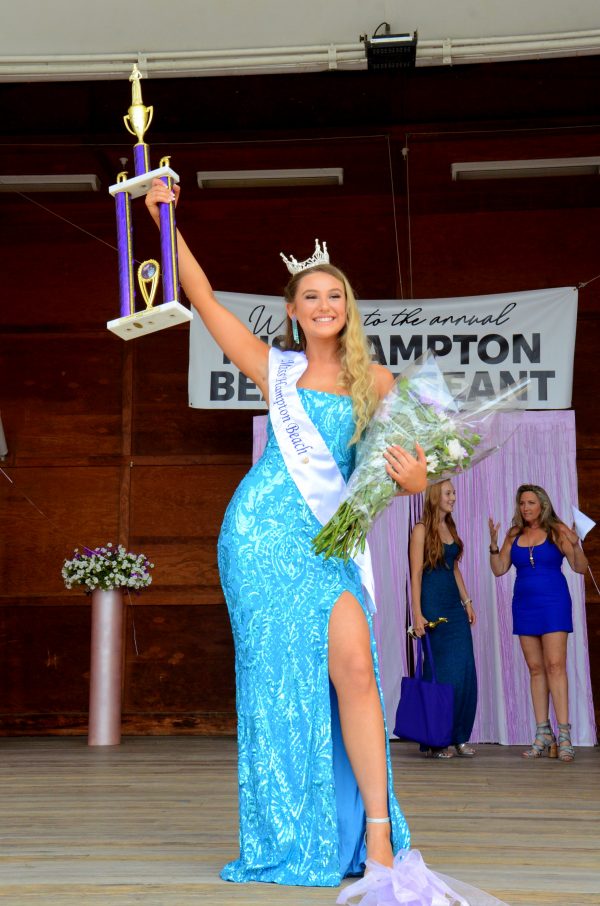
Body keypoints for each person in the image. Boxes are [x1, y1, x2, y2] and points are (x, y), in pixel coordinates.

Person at [146, 179, 429, 886]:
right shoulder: (276, 369)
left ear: (349, 309)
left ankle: (378, 836)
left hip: (328, 544)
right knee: (278, 687)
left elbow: (414, 472)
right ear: (293, 312)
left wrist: (415, 480)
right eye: (311, 297)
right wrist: (165, 215)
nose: (325, 306)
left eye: (335, 296)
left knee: (357, 676)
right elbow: (205, 298)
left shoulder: (383, 385)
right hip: (261, 535)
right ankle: (290, 833)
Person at [489, 484, 588, 762]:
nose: (525, 508)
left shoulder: (557, 531)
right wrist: (494, 544)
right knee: (535, 669)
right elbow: (499, 570)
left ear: (542, 505)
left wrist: (576, 543)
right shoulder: (513, 534)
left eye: (531, 502)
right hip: (524, 605)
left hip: (554, 603)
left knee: (555, 666)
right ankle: (543, 732)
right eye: (522, 503)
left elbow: (580, 567)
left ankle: (565, 734)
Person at [409, 480, 477, 760]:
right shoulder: (421, 529)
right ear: (435, 495)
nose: (454, 497)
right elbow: (414, 575)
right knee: (442, 674)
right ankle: (438, 740)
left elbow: (455, 569)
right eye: (449, 493)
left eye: (454, 493)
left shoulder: (451, 527)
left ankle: (459, 736)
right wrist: (417, 613)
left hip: (454, 607)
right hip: (432, 605)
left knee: (463, 671)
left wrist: (467, 601)